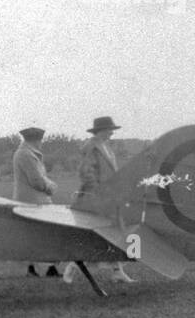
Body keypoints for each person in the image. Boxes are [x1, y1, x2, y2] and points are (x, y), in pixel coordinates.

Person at [63, 116, 136, 284]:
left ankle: (117, 271)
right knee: (97, 236)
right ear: (102, 130)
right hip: (96, 200)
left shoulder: (105, 147)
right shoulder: (91, 147)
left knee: (114, 234)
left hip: (109, 198)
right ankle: (73, 266)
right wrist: (98, 193)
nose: (112, 133)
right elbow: (86, 172)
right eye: (110, 129)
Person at [12, 127, 61, 277]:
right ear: (36, 140)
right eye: (40, 140)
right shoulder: (27, 155)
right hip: (34, 201)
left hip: (30, 200)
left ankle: (34, 269)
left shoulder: (26, 153)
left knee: (32, 236)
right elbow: (37, 181)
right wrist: (51, 187)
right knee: (46, 235)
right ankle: (49, 268)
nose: (41, 144)